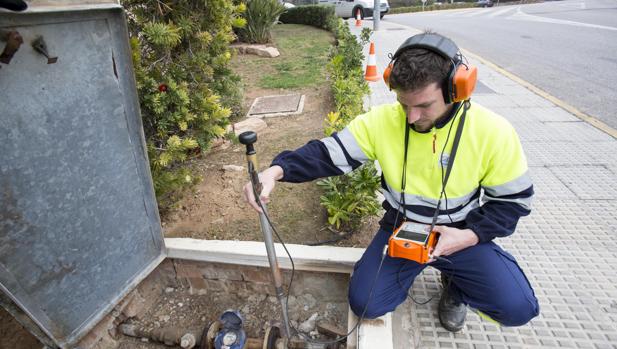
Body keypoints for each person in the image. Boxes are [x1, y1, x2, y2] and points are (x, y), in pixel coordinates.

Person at [243, 32, 539, 332]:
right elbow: (327, 154)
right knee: (366, 303)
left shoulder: (494, 132)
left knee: (518, 308)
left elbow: (513, 202)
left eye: (424, 105)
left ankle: (456, 286)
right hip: (400, 228)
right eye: (403, 103)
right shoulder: (381, 121)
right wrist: (276, 171)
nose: (411, 117)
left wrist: (470, 236)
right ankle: (412, 269)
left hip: (459, 233)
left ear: (456, 89)